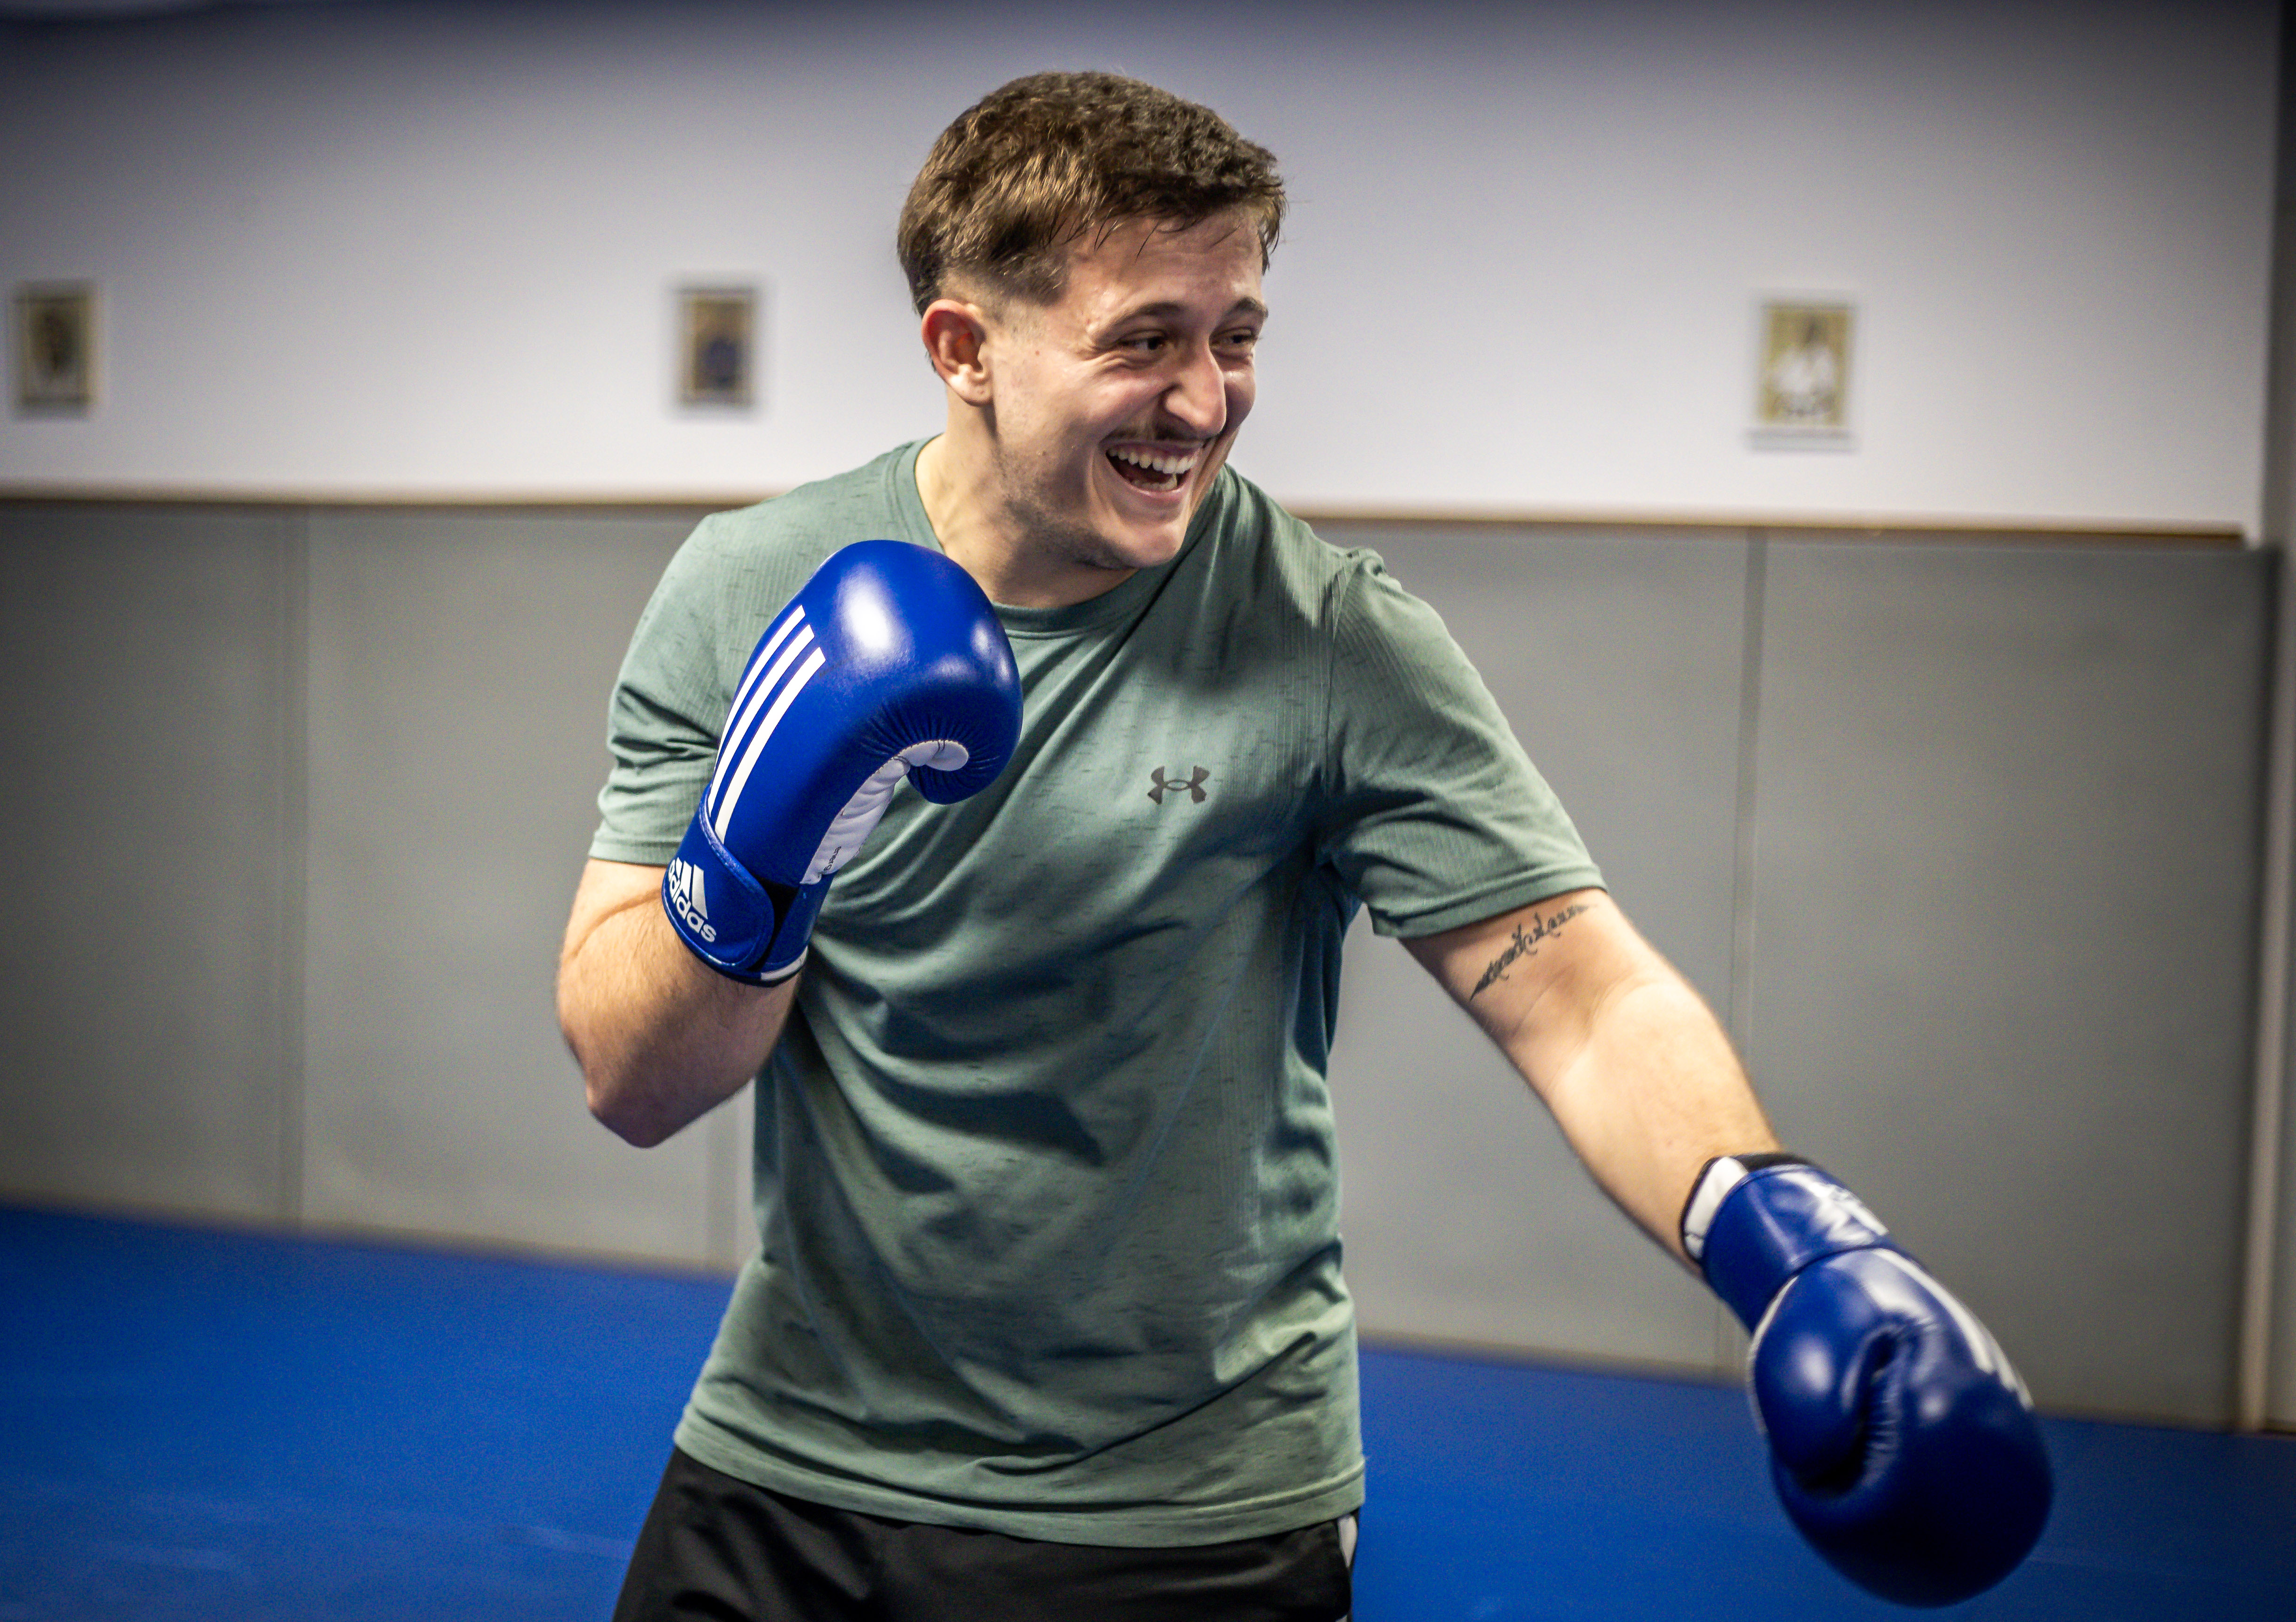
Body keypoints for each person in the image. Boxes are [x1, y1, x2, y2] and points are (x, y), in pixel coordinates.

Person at [557, 71, 2049, 1622]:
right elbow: (630, 1080)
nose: (1205, 401)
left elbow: (1580, 995)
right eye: (1146, 340)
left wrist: (1784, 1240)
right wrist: (759, 848)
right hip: (788, 1463)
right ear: (965, 349)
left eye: (1238, 336)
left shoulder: (1326, 634)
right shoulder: (750, 590)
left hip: (1179, 1511)